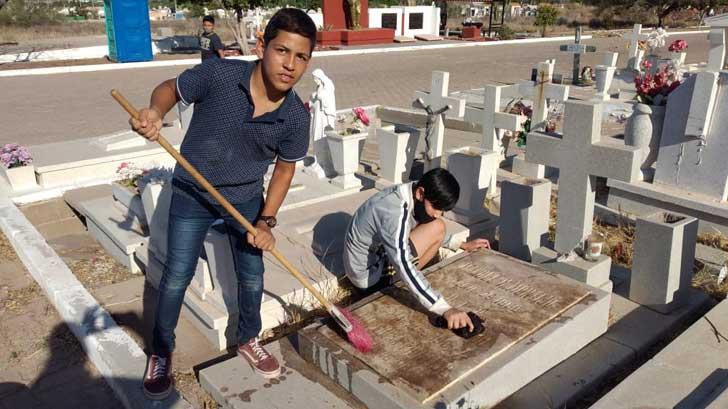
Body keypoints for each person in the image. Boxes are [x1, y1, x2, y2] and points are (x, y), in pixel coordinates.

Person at [128, 8, 316, 400]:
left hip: (246, 199)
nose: (290, 65)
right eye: (282, 51)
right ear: (263, 46)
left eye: (301, 57)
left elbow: (283, 172)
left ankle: (247, 338)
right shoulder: (219, 75)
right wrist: (155, 112)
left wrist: (266, 222)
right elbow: (169, 89)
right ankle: (161, 350)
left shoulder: (296, 117)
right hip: (193, 193)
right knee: (176, 275)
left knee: (252, 276)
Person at [343, 168, 491, 331]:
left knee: (437, 226)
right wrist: (443, 308)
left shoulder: (410, 191)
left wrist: (461, 245)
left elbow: (410, 233)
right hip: (368, 276)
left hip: (378, 255)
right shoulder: (394, 211)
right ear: (421, 193)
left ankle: (409, 282)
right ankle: (398, 285)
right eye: (436, 207)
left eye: (442, 210)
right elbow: (403, 263)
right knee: (433, 229)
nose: (438, 213)